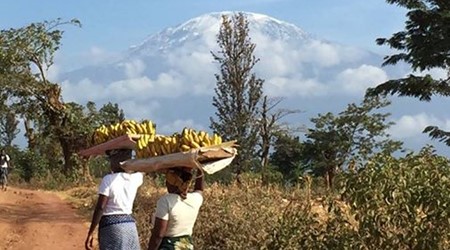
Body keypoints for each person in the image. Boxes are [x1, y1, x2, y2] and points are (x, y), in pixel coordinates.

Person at [85, 149, 144, 250]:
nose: (110, 162)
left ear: (118, 162)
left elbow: (101, 207)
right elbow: (143, 168)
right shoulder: (136, 178)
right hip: (130, 226)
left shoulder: (108, 179)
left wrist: (91, 232)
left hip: (111, 226)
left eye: (112, 159)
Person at [147, 167, 204, 250]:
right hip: (186, 246)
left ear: (172, 183)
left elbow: (159, 234)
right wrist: (200, 169)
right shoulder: (195, 199)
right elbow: (199, 189)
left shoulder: (165, 201)